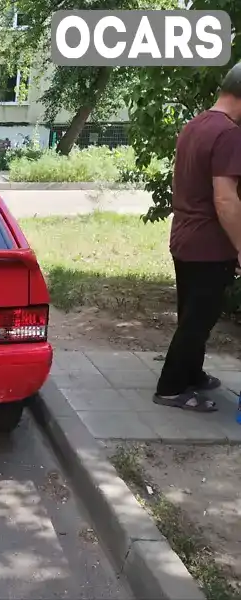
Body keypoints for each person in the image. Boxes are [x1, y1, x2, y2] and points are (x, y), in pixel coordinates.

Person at [154, 61, 241, 412]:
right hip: (209, 245)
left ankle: (192, 373)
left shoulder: (197, 124)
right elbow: (225, 198)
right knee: (197, 321)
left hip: (185, 239)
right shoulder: (230, 133)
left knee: (193, 314)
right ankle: (172, 387)